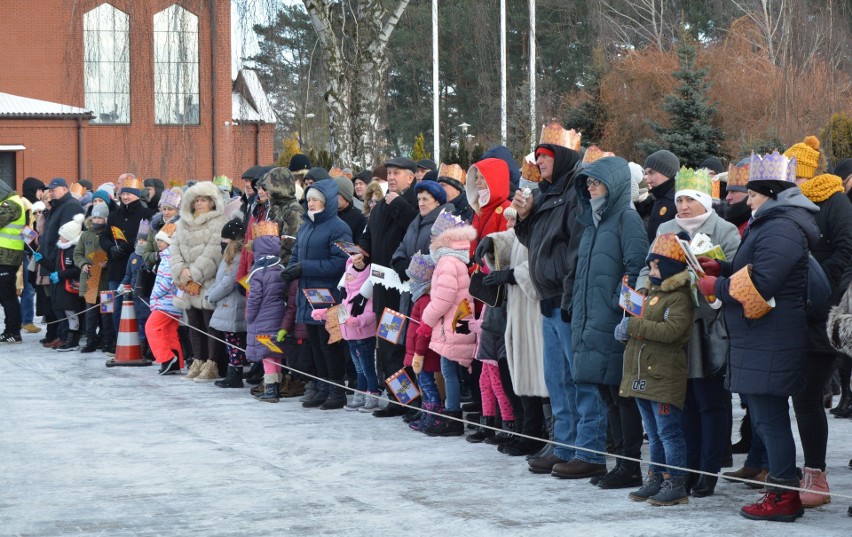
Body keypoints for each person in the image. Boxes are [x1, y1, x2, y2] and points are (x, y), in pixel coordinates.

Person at [697, 151, 818, 522]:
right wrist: (725, 267)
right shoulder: (770, 224)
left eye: (751, 195)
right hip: (763, 335)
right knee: (767, 418)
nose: (746, 201)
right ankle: (780, 489)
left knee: (770, 418)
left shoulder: (781, 226)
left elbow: (764, 283)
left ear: (768, 192)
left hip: (772, 336)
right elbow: (755, 268)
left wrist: (716, 283)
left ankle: (783, 494)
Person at [564, 156, 649, 480]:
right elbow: (582, 272)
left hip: (612, 323)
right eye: (587, 183)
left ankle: (629, 465)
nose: (590, 187)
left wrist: (618, 306)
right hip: (590, 321)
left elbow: (636, 268)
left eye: (596, 182)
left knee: (622, 396)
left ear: (613, 186)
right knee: (606, 394)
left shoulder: (626, 219)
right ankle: (620, 463)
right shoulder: (592, 224)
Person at [785, 137, 852, 506]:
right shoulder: (790, 204)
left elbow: (846, 249)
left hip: (825, 312)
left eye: (792, 172)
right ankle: (800, 472)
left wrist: (816, 285)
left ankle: (817, 476)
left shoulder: (834, 200)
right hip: (793, 312)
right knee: (801, 396)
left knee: (809, 394)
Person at [511, 143, 584, 475]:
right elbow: (535, 244)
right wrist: (524, 220)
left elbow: (573, 251)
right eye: (537, 156)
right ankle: (562, 442)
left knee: (576, 379)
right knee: (556, 379)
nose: (538, 161)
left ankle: (583, 449)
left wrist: (568, 295)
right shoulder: (544, 194)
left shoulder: (572, 193)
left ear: (562, 158)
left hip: (564, 300)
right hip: (546, 300)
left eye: (545, 156)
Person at [618, 232, 695, 506]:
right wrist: (625, 329)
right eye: (650, 266)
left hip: (663, 377)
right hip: (642, 376)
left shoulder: (679, 298)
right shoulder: (650, 293)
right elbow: (639, 323)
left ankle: (676, 482)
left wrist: (634, 327)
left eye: (656, 266)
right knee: (652, 432)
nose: (651, 271)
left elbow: (672, 330)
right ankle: (656, 477)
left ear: (672, 268)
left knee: (668, 432)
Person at [354, 157, 419, 417]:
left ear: (411, 177)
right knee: (389, 347)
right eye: (389, 173)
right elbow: (369, 234)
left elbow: (416, 230)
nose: (391, 177)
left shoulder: (414, 202)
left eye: (397, 173)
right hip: (382, 288)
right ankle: (398, 398)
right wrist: (362, 255)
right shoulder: (382, 204)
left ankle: (413, 401)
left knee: (406, 348)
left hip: (404, 290)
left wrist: (400, 205)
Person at [481, 207, 548, 456]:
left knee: (535, 373)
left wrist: (513, 274)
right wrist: (493, 242)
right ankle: (524, 429)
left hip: (536, 307)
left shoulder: (545, 217)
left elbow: (546, 258)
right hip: (517, 309)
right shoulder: (526, 223)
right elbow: (516, 240)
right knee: (515, 371)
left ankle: (536, 432)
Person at [284, 179, 351, 410]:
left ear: (327, 202)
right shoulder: (306, 225)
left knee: (328, 344)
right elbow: (296, 254)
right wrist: (290, 270)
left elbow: (341, 263)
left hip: (328, 294)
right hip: (306, 293)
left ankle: (337, 390)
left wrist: (305, 267)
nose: (311, 204)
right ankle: (322, 387)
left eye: (316, 200)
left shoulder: (338, 228)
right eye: (309, 199)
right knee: (314, 344)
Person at [417, 212, 478, 437]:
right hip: (457, 322)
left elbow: (443, 298)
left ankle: (452, 417)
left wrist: (426, 322)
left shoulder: (446, 261)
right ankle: (452, 415)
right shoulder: (457, 259)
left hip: (450, 325)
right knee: (452, 370)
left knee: (448, 370)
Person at [169, 181, 228, 382]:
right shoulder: (182, 223)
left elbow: (214, 252)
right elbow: (174, 249)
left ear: (212, 202)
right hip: (187, 282)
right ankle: (198, 359)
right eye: (196, 200)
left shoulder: (219, 222)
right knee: (193, 323)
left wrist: (193, 273)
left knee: (209, 322)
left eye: (203, 200)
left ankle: (212, 363)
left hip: (208, 281)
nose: (199, 204)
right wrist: (180, 270)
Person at [311, 256, 379, 412]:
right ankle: (361, 393)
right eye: (347, 275)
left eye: (351, 275)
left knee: (367, 367)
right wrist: (323, 314)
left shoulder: (365, 296)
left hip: (363, 336)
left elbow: (371, 315)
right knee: (359, 368)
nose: (347, 277)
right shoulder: (346, 295)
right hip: (350, 337)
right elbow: (339, 312)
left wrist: (358, 321)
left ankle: (373, 393)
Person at [100, 175, 155, 332]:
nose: (125, 197)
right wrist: (110, 248)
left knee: (138, 308)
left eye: (128, 193)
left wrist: (125, 247)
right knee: (114, 307)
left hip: (136, 268)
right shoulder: (114, 215)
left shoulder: (147, 213)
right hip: (115, 267)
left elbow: (146, 238)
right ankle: (118, 342)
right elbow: (104, 237)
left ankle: (140, 344)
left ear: (137, 194)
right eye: (123, 193)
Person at [36, 178, 84, 348]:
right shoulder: (57, 206)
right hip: (52, 260)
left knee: (65, 304)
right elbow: (49, 232)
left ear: (64, 189)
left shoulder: (70, 206)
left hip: (62, 260)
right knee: (56, 303)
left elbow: (66, 234)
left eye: (54, 189)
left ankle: (67, 336)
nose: (51, 192)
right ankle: (61, 334)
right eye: (50, 189)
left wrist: (57, 260)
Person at [245, 223, 287, 402]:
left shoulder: (259, 272)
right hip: (278, 316)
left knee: (266, 356)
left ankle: (270, 390)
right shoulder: (280, 268)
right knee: (274, 352)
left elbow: (254, 297)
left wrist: (250, 315)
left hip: (262, 318)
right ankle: (276, 387)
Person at [206, 218, 248, 389]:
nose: (222, 242)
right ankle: (232, 371)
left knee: (234, 341)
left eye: (225, 239)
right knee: (230, 341)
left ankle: (236, 373)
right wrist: (211, 293)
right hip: (226, 304)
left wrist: (212, 296)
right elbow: (220, 279)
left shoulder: (238, 257)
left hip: (233, 305)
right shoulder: (228, 256)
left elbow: (228, 282)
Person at [406, 252, 442, 430]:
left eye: (413, 279)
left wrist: (418, 354)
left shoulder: (426, 300)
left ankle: (434, 415)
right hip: (418, 353)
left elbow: (424, 332)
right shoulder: (421, 299)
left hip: (424, 354)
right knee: (423, 384)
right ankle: (426, 413)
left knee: (427, 385)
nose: (411, 283)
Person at [145, 222, 184, 375]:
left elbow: (167, 281)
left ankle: (167, 358)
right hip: (170, 302)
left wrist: (154, 296)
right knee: (168, 331)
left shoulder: (169, 259)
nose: (158, 243)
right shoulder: (167, 258)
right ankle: (175, 361)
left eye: (161, 240)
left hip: (165, 302)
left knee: (152, 327)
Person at [75, 203, 114, 354]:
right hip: (91, 279)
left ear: (106, 219)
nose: (97, 220)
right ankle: (90, 342)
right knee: (90, 313)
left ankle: (107, 342)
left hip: (105, 281)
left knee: (106, 314)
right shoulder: (85, 235)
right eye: (95, 217)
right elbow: (77, 254)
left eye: (100, 218)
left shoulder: (110, 234)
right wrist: (83, 264)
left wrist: (108, 263)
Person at [51, 214, 85, 351]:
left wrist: (60, 274)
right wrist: (41, 260)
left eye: (62, 235)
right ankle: (70, 339)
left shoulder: (73, 250)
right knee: (68, 312)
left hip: (71, 288)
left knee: (72, 313)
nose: (60, 238)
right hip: (62, 287)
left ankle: (73, 340)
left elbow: (77, 270)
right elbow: (56, 266)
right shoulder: (62, 250)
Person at [0, 180, 27, 343]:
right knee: (4, 295)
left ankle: (13, 331)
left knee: (7, 295)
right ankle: (11, 329)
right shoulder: (9, 202)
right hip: (5, 256)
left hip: (7, 257)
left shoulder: (11, 204)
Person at [20, 177, 44, 334]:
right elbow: (22, 229)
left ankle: (23, 319)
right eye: (40, 190)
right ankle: (26, 320)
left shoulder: (25, 203)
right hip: (25, 251)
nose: (42, 193)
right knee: (27, 287)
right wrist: (35, 241)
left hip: (21, 250)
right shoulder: (26, 205)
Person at [638, 149, 680, 240]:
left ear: (667, 172)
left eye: (651, 172)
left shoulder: (679, 201)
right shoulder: (658, 195)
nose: (647, 179)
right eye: (646, 173)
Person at [333, 176, 367, 244]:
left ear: (346, 195)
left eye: (338, 193)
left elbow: (359, 247)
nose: (334, 197)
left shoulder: (360, 218)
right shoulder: (328, 214)